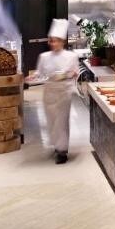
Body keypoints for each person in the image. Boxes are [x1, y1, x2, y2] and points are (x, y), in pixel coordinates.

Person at [30, 18, 79, 164]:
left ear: (62, 42)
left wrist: (69, 74)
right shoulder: (44, 57)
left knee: (62, 121)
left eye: (56, 41)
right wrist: (32, 76)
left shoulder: (71, 56)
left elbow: (74, 72)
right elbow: (39, 73)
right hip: (49, 92)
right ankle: (57, 146)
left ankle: (62, 151)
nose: (53, 43)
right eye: (51, 41)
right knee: (52, 121)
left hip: (64, 92)